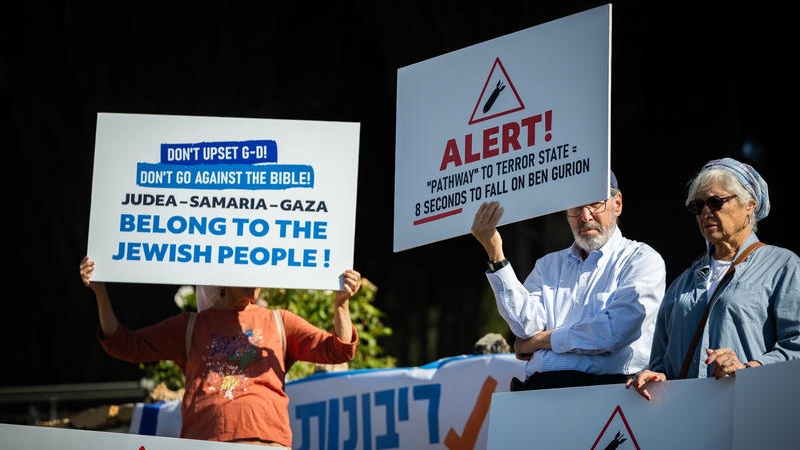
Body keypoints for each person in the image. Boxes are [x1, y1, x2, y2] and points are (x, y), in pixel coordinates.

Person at [79, 256, 362, 447]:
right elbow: (124, 345)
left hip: (266, 442)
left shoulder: (280, 321)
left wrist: (342, 305)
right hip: (205, 442)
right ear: (220, 280)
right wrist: (101, 292)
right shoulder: (190, 326)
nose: (256, 272)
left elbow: (338, 350)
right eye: (245, 263)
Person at [471, 170, 666, 390]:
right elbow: (525, 327)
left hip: (609, 393)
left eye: (594, 204)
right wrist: (496, 254)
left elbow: (612, 332)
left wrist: (541, 341)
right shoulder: (547, 266)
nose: (585, 216)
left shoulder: (641, 260)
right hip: (540, 391)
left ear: (617, 203)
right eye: (575, 207)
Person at [627, 157, 800, 400]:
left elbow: (796, 343)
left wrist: (750, 369)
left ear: (750, 204)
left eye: (716, 202)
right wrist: (656, 376)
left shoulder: (782, 265)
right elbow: (660, 360)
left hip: (751, 410)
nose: (705, 212)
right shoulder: (682, 283)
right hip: (686, 417)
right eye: (698, 207)